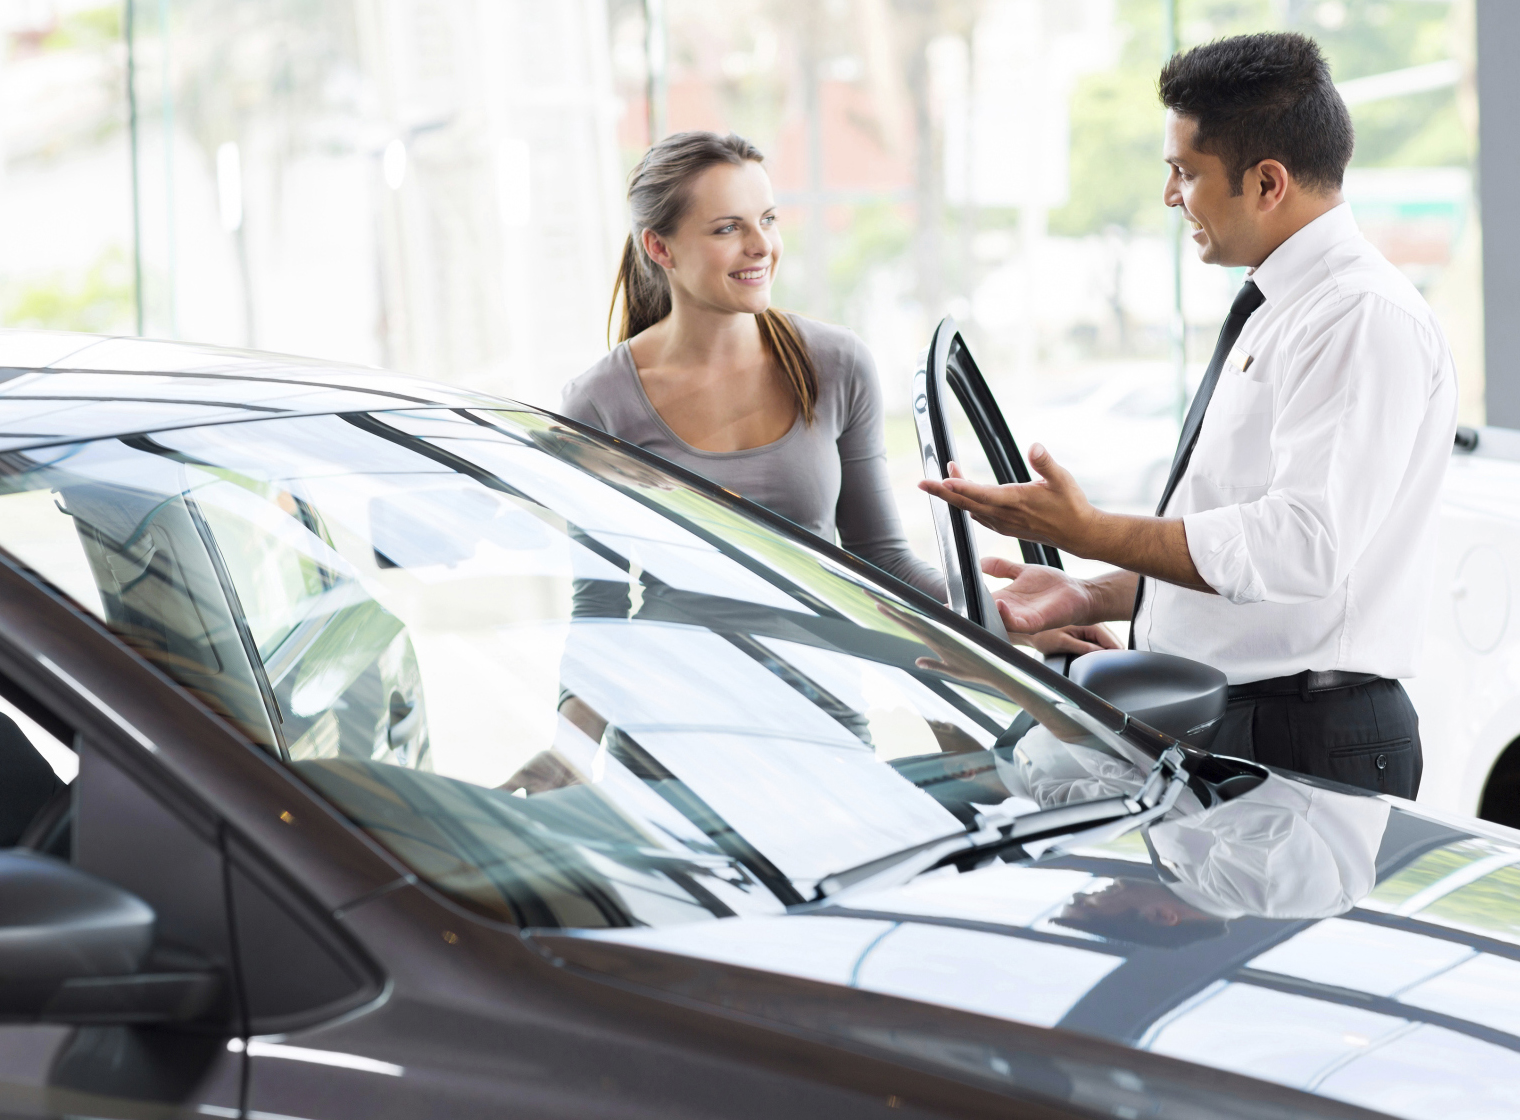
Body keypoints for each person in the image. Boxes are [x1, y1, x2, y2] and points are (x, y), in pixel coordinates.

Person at [918, 33, 1456, 798]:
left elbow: (1301, 547)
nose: (1172, 196)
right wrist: (1095, 590)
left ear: (1267, 183)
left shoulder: (1357, 316)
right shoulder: (1285, 305)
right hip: (1249, 717)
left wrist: (1089, 528)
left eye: (1185, 173)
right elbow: (1233, 542)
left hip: (1306, 730)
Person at [561, 130, 946, 603]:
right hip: (681, 676)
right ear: (660, 248)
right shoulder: (599, 405)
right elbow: (600, 604)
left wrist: (1002, 614)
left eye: (768, 219)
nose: (762, 245)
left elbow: (883, 560)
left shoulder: (837, 364)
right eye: (728, 228)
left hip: (828, 677)